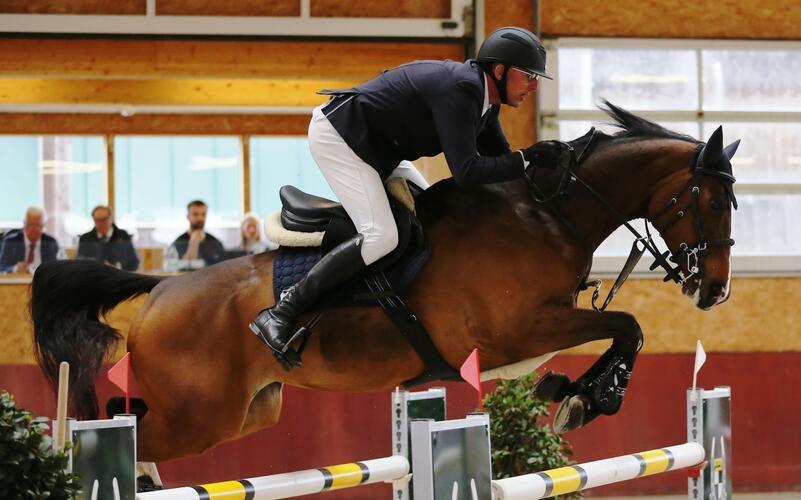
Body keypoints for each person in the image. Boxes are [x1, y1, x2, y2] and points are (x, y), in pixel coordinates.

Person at [250, 26, 556, 368]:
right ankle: (281, 312)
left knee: (433, 218)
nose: (534, 86)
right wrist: (529, 158)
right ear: (499, 70)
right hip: (341, 140)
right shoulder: (462, 89)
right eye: (529, 76)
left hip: (380, 150)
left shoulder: (485, 102)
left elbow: (503, 164)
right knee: (382, 235)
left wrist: (544, 169)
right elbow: (468, 171)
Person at [76, 205, 139, 271]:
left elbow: (134, 263)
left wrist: (120, 267)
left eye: (104, 219)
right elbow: (79, 263)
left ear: (111, 219)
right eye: (97, 220)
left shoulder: (123, 236)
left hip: (119, 275)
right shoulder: (85, 239)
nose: (100, 223)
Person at [0, 207, 59, 274]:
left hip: (43, 279)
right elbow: (2, 266)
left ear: (43, 226)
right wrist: (15, 268)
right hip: (19, 279)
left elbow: (56, 268)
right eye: (31, 225)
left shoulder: (50, 243)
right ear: (24, 224)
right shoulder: (11, 242)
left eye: (38, 225)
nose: (34, 229)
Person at [170, 200, 224, 267]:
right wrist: (194, 242)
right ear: (188, 216)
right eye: (195, 214)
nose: (200, 218)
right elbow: (177, 267)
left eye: (203, 214)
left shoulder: (215, 243)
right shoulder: (178, 243)